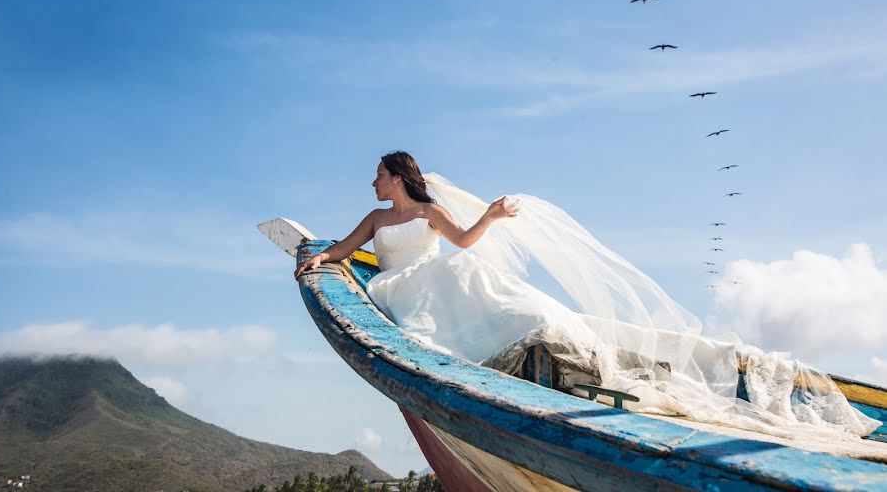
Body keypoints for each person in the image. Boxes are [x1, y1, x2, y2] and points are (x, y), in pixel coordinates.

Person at [294, 151, 880, 442]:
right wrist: (317, 259)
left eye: (378, 174)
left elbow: (467, 243)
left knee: (489, 291)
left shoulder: (430, 213)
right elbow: (345, 249)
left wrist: (493, 217)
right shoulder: (375, 218)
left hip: (437, 275)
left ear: (397, 176)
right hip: (404, 286)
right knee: (435, 304)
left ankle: (527, 351)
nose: (372, 182)